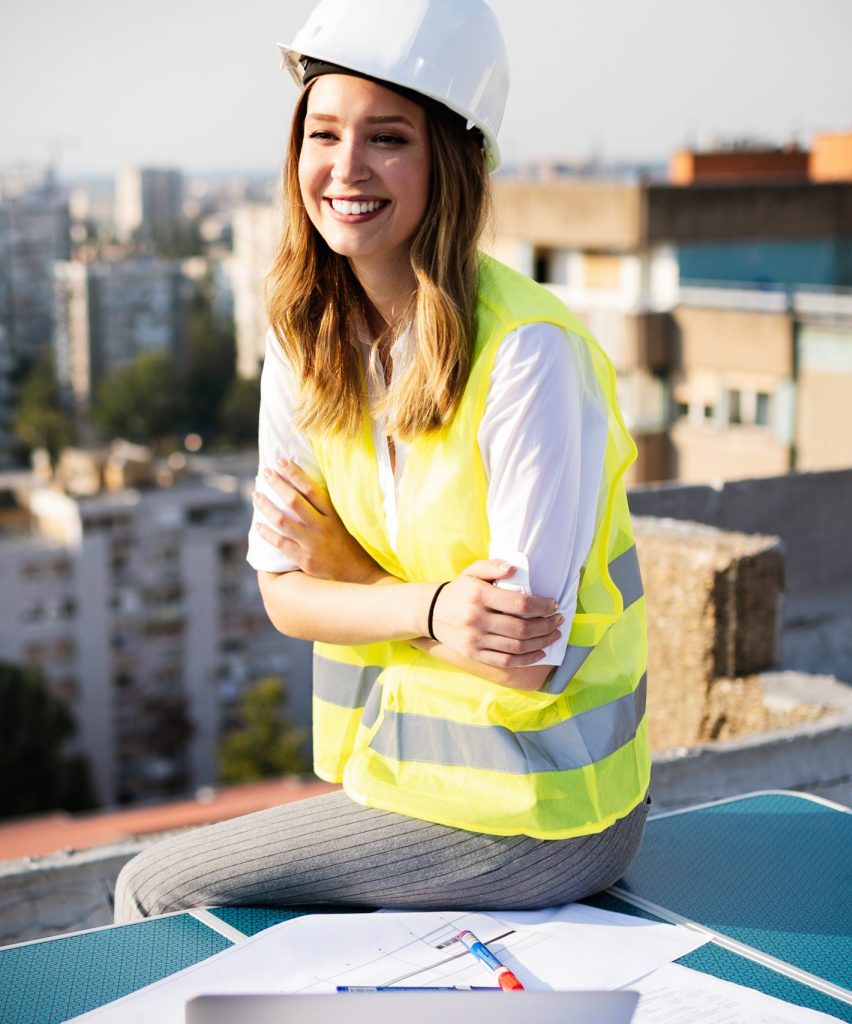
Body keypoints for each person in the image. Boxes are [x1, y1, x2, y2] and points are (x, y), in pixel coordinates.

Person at [114, 0, 649, 925]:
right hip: (407, 783)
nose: (346, 169)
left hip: (548, 813)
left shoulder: (527, 354)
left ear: (453, 159)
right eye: (323, 133)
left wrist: (363, 581)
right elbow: (285, 596)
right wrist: (437, 610)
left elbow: (522, 658)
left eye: (388, 137)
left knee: (158, 889)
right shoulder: (302, 340)